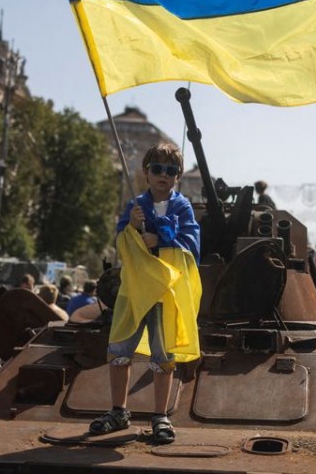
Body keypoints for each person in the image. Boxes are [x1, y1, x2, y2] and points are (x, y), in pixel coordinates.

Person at [90, 143, 201, 445]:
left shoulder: (183, 206)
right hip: (136, 290)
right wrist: (133, 228)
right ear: (146, 172)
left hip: (165, 293)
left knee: (163, 355)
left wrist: (160, 238)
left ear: (177, 176)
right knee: (119, 350)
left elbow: (191, 243)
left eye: (170, 171)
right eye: (157, 169)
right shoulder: (135, 205)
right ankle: (118, 411)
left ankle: (160, 415)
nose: (163, 176)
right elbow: (123, 243)